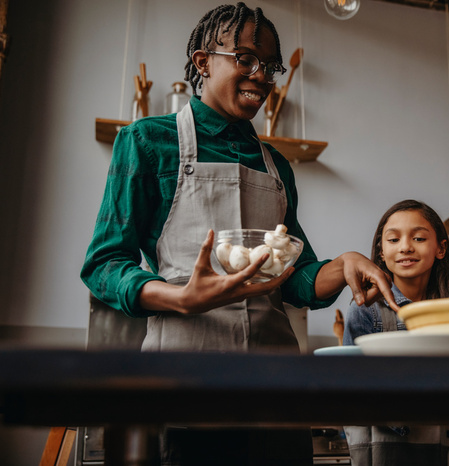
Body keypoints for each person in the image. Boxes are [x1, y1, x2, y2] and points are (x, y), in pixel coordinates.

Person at [81, 4, 397, 465]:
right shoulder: (149, 142)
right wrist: (179, 297)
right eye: (245, 58)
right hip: (182, 387)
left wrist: (341, 265)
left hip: (274, 392)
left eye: (269, 66)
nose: (261, 76)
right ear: (203, 60)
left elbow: (294, 275)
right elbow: (104, 264)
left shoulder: (276, 165)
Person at [342, 199, 449, 466]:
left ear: (441, 248)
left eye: (419, 238)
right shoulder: (366, 310)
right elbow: (351, 388)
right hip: (382, 444)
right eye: (394, 240)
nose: (406, 247)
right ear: (382, 252)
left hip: (443, 440)